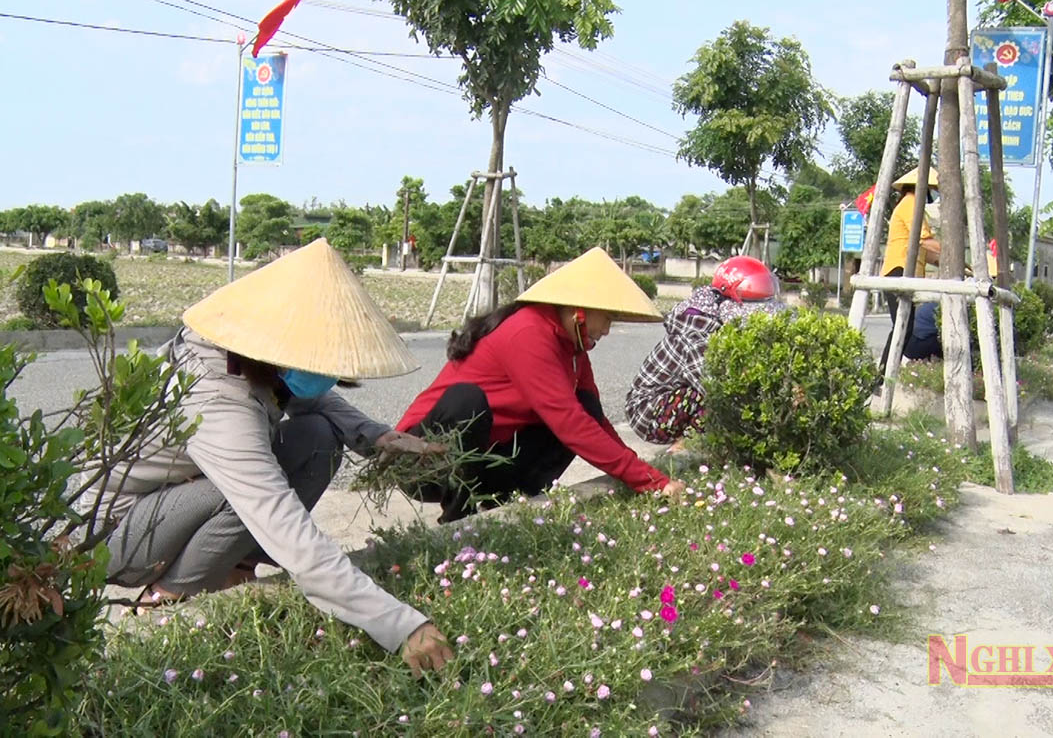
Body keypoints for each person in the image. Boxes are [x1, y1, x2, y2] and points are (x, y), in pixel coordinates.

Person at [78, 239, 453, 675]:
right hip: (118, 536)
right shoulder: (216, 399)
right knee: (239, 490)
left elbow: (311, 402)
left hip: (173, 502)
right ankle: (168, 596)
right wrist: (401, 624)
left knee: (315, 436)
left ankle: (234, 568)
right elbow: (284, 525)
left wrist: (381, 438)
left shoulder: (243, 357)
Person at [396, 247, 687, 522]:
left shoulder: (573, 347)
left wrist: (644, 476)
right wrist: (651, 481)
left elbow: (593, 421)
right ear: (579, 309)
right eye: (608, 317)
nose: (608, 330)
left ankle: (512, 504)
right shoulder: (528, 332)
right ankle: (459, 518)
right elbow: (569, 423)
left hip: (487, 456)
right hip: (421, 460)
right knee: (467, 401)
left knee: (585, 407)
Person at [625, 255, 785, 447]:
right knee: (712, 398)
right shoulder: (696, 335)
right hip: (649, 413)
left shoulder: (720, 321)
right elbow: (713, 387)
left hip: (676, 399)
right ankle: (690, 448)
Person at [879, 166, 942, 376]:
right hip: (898, 271)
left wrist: (953, 264)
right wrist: (951, 251)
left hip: (907, 273)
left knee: (904, 326)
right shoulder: (910, 203)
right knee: (902, 326)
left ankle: (887, 375)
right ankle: (882, 376)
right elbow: (926, 242)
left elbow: (929, 253)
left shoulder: (913, 205)